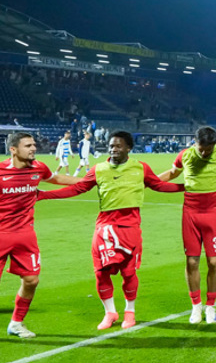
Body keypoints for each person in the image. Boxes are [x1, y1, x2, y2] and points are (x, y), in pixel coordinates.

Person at [38, 131, 184, 330]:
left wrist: (186, 187)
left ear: (128, 148)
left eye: (118, 146)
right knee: (100, 273)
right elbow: (78, 188)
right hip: (104, 227)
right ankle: (110, 313)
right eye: (111, 146)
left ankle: (130, 313)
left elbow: (159, 186)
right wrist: (44, 195)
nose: (113, 149)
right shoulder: (99, 169)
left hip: (130, 227)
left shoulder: (141, 168)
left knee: (128, 273)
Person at [158, 126, 216, 324]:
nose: (204, 153)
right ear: (194, 142)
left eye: (208, 150)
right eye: (201, 148)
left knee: (213, 262)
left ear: (215, 144)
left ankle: (210, 306)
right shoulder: (185, 155)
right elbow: (172, 173)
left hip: (214, 215)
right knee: (192, 262)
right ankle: (196, 306)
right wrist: (147, 182)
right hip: (191, 214)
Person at [2, 132, 76, 339]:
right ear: (13, 149)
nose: (33, 148)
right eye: (28, 146)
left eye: (34, 144)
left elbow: (56, 178)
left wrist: (89, 180)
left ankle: (16, 323)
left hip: (25, 235)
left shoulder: (38, 168)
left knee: (31, 280)